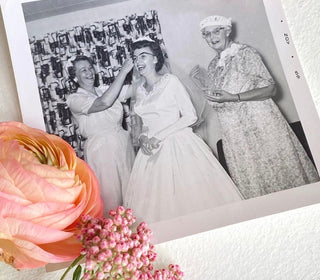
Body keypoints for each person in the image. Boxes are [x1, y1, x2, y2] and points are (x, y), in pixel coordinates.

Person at [190, 15, 319, 199]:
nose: (212, 37)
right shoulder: (212, 66)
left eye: (217, 30)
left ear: (227, 30)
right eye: (207, 34)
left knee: (282, 176)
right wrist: (201, 83)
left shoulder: (246, 53)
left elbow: (271, 88)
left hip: (262, 125)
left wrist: (235, 97)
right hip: (236, 135)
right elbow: (219, 99)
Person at [124, 39, 242, 224]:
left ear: (155, 59)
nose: (138, 61)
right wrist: (143, 136)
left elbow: (190, 117)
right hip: (150, 152)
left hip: (177, 145)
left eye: (143, 56)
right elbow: (144, 123)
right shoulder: (139, 90)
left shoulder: (171, 81)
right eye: (135, 57)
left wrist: (158, 137)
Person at [67, 55, 135, 214]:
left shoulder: (105, 89)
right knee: (111, 198)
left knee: (132, 193)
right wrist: (124, 71)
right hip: (101, 150)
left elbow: (136, 88)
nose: (89, 72)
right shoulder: (74, 99)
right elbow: (103, 103)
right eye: (83, 70)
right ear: (74, 77)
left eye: (90, 67)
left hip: (123, 145)